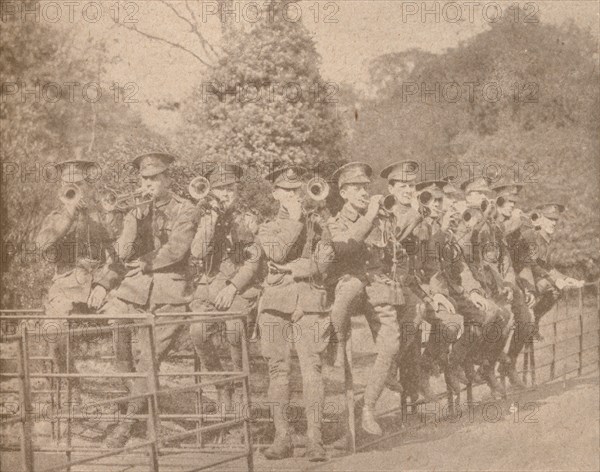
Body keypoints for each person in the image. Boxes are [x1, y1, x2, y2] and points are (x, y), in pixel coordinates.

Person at [101, 152, 197, 448]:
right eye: (144, 178)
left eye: (155, 178)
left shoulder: (187, 209)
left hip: (169, 294)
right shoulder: (136, 211)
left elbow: (176, 250)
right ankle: (146, 419)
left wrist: (143, 263)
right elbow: (123, 253)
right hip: (134, 293)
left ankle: (128, 426)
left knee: (149, 359)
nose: (149, 183)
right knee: (120, 352)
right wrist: (137, 219)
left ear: (167, 179)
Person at [255, 165, 334, 461]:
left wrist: (292, 268)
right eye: (286, 191)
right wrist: (296, 220)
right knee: (278, 371)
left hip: (310, 301)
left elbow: (325, 263)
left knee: (312, 369)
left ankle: (316, 439)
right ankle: (282, 438)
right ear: (276, 194)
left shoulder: (319, 222)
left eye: (296, 190)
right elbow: (275, 252)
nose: (293, 195)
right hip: (275, 304)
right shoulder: (267, 226)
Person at [327, 162, 406, 436]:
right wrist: (369, 216)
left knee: (391, 344)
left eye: (365, 187)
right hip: (351, 285)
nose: (363, 192)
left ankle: (368, 407)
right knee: (350, 288)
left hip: (377, 288)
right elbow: (345, 251)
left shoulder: (382, 218)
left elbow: (396, 254)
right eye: (356, 188)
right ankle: (334, 339)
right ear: (343, 192)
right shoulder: (336, 221)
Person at [36, 157, 121, 400]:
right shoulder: (55, 217)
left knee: (131, 324)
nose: (75, 189)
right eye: (69, 184)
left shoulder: (101, 216)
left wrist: (104, 286)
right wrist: (69, 213)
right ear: (61, 189)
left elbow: (118, 258)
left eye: (80, 184)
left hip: (99, 289)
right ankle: (71, 386)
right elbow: (43, 245)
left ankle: (131, 392)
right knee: (54, 330)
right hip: (65, 288)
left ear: (87, 186)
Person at [188, 163, 260, 414]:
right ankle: (221, 385)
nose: (226, 193)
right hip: (208, 286)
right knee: (197, 332)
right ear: (210, 192)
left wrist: (232, 287)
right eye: (219, 189)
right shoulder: (204, 217)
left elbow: (253, 260)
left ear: (237, 190)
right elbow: (196, 252)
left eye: (230, 188)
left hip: (239, 286)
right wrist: (212, 218)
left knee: (234, 329)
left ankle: (241, 390)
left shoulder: (247, 218)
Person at [452, 177, 512, 396]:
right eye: (478, 193)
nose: (484, 197)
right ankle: (468, 358)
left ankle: (486, 364)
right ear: (467, 197)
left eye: (485, 193)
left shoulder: (488, 221)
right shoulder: (462, 217)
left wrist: (502, 284)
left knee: (506, 317)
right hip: (460, 281)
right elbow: (461, 254)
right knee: (489, 314)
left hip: (482, 281)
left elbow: (492, 258)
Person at [491, 184, 537, 389]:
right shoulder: (491, 219)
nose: (512, 207)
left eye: (514, 203)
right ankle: (489, 366)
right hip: (490, 281)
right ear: (498, 202)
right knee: (504, 321)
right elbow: (496, 234)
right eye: (509, 202)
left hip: (510, 280)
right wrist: (517, 222)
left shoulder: (516, 225)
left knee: (527, 321)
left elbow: (523, 260)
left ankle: (509, 364)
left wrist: (530, 288)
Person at [518, 203, 584, 337]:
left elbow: (547, 266)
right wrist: (555, 280)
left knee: (555, 292)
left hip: (534, 277)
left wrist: (566, 279)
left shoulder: (546, 239)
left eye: (555, 220)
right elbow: (532, 265)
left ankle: (533, 322)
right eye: (549, 219)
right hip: (521, 277)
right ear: (540, 219)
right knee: (551, 287)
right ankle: (528, 323)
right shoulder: (531, 236)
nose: (553, 223)